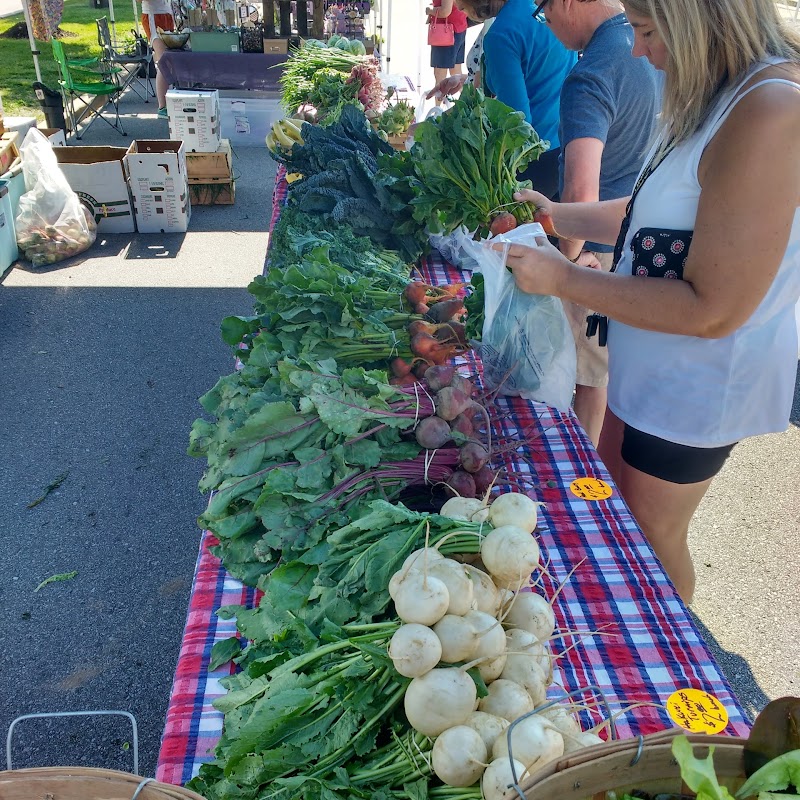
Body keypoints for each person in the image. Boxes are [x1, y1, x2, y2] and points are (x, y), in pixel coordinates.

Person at [501, 0, 800, 604]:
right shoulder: (716, 95)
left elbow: (713, 309)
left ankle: (665, 676)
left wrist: (562, 278)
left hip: (697, 385)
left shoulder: (770, 109)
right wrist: (556, 214)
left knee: (650, 537)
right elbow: (648, 219)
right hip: (651, 364)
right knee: (619, 519)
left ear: (696, 21)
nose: (637, 50)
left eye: (643, 30)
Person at [543, 0, 660, 446]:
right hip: (643, 247)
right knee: (612, 378)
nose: (547, 23)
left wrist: (565, 269)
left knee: (588, 381)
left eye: (544, 10)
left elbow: (579, 191)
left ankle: (583, 487)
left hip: (597, 254)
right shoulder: (646, 47)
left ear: (568, 3)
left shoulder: (591, 74)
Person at [429, 0, 576, 198]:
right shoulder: (539, 9)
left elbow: (515, 118)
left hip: (531, 159)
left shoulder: (501, 34)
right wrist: (467, 81)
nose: (454, 4)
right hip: (566, 148)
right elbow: (537, 72)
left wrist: (435, 126)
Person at [426, 0, 469, 104]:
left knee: (440, 74)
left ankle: (437, 109)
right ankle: (467, 102)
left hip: (446, 32)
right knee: (456, 72)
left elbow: (445, 11)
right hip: (459, 27)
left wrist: (430, 11)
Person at [141, 0, 177, 117]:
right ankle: (162, 106)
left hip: (166, 14)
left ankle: (168, 101)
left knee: (169, 61)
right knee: (164, 62)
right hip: (154, 16)